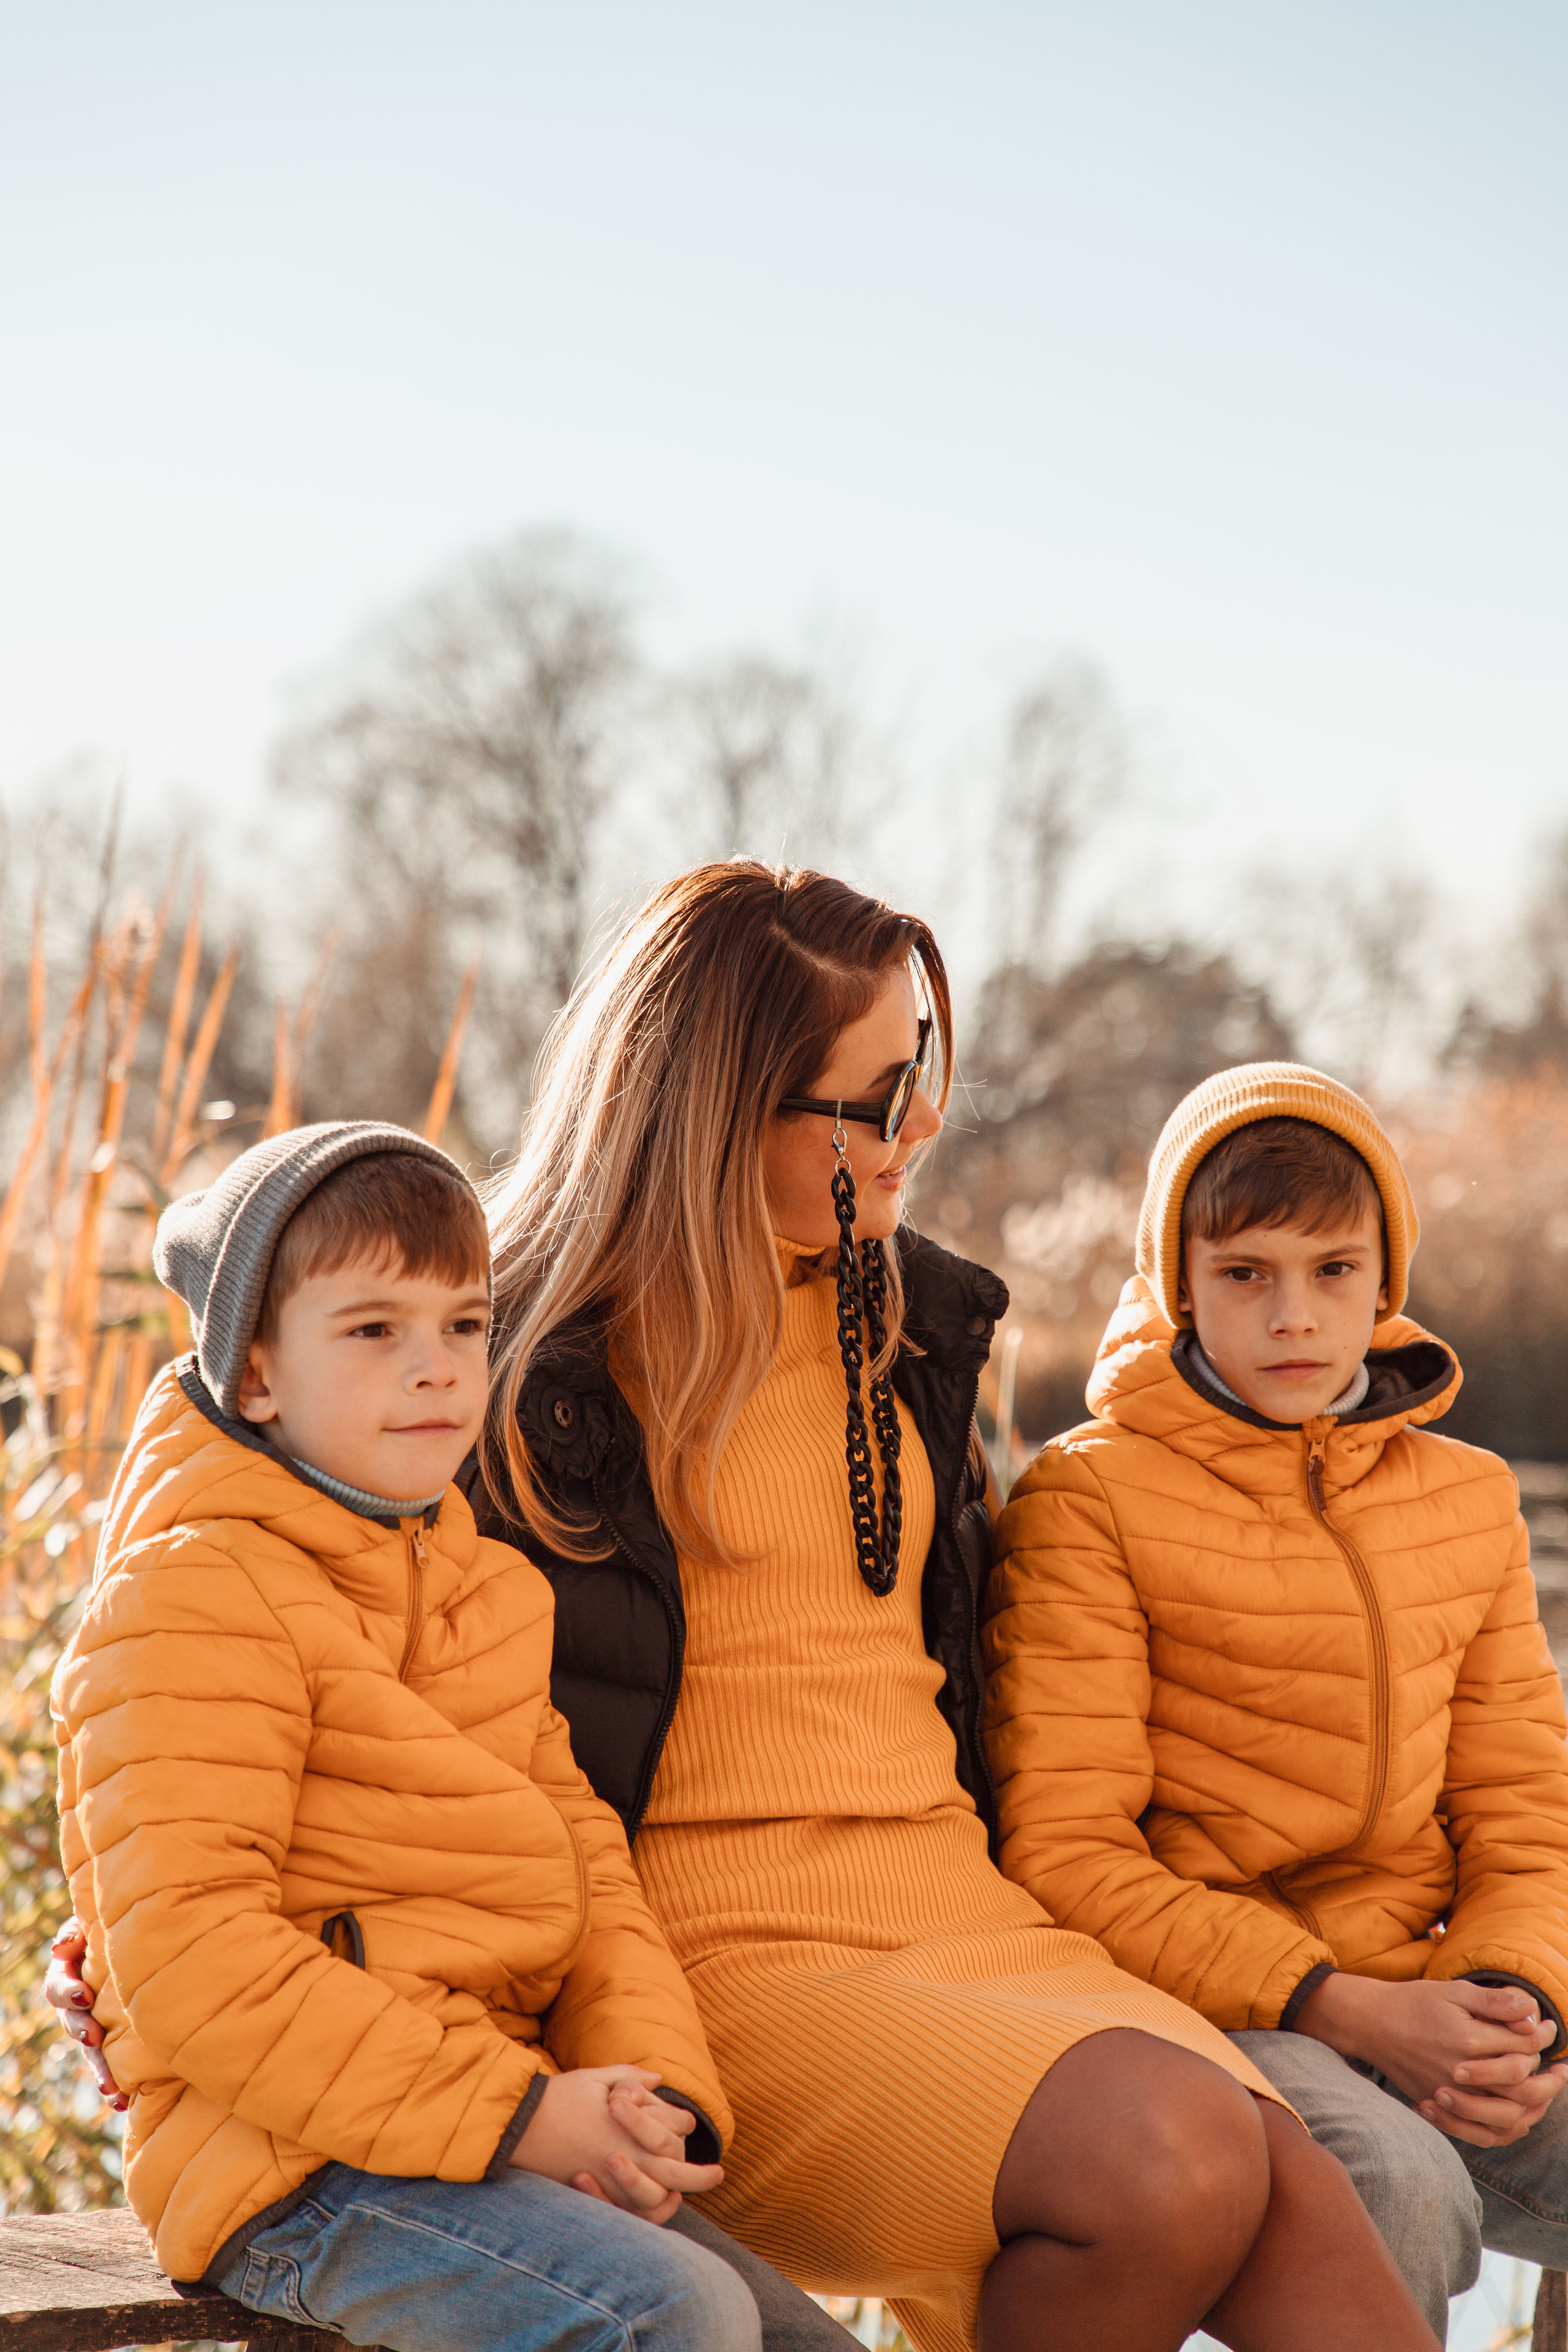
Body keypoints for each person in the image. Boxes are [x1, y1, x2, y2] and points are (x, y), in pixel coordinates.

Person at [53, 876, 1438, 2352]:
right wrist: (125, 1973)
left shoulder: (917, 1332)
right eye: (878, 1093)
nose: (922, 1126)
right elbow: (274, 1655)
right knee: (1175, 2153)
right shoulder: (502, 1356)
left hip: (966, 1916)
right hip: (721, 1950)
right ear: (723, 1104)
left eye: (925, 1073)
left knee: (1290, 2181)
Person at [50, 1121, 773, 2352]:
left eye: (463, 1324)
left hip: (478, 2126)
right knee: (672, 2317)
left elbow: (586, 1875)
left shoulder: (485, 1591)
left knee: (795, 2337)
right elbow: (192, 1960)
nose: (435, 1368)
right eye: (375, 1330)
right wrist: (520, 2117)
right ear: (257, 1372)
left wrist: (649, 2097)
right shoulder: (191, 1594)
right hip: (294, 2167)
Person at [984, 1061, 1568, 2343]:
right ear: (1175, 1280)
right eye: (1244, 1273)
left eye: (1332, 1272)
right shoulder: (1088, 1497)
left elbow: (1521, 1805)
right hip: (1220, 2000)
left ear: (1383, 1282)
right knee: (1398, 2193)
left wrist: (1510, 1996)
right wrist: (1347, 2006)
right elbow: (1066, 1852)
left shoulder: (1461, 1499)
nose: (1292, 1317)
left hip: (1434, 1976)